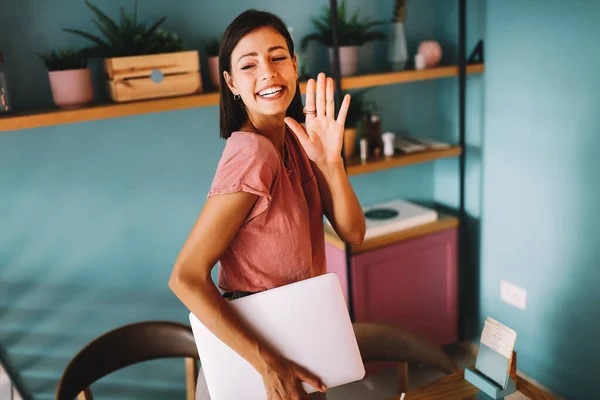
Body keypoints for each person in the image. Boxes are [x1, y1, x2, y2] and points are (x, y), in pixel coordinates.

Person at [169, 9, 366, 400]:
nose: (268, 72)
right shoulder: (253, 154)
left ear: (295, 66)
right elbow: (185, 277)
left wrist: (331, 164)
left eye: (278, 57)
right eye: (249, 64)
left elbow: (353, 232)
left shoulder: (296, 140)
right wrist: (267, 364)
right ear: (231, 83)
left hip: (296, 338)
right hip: (257, 356)